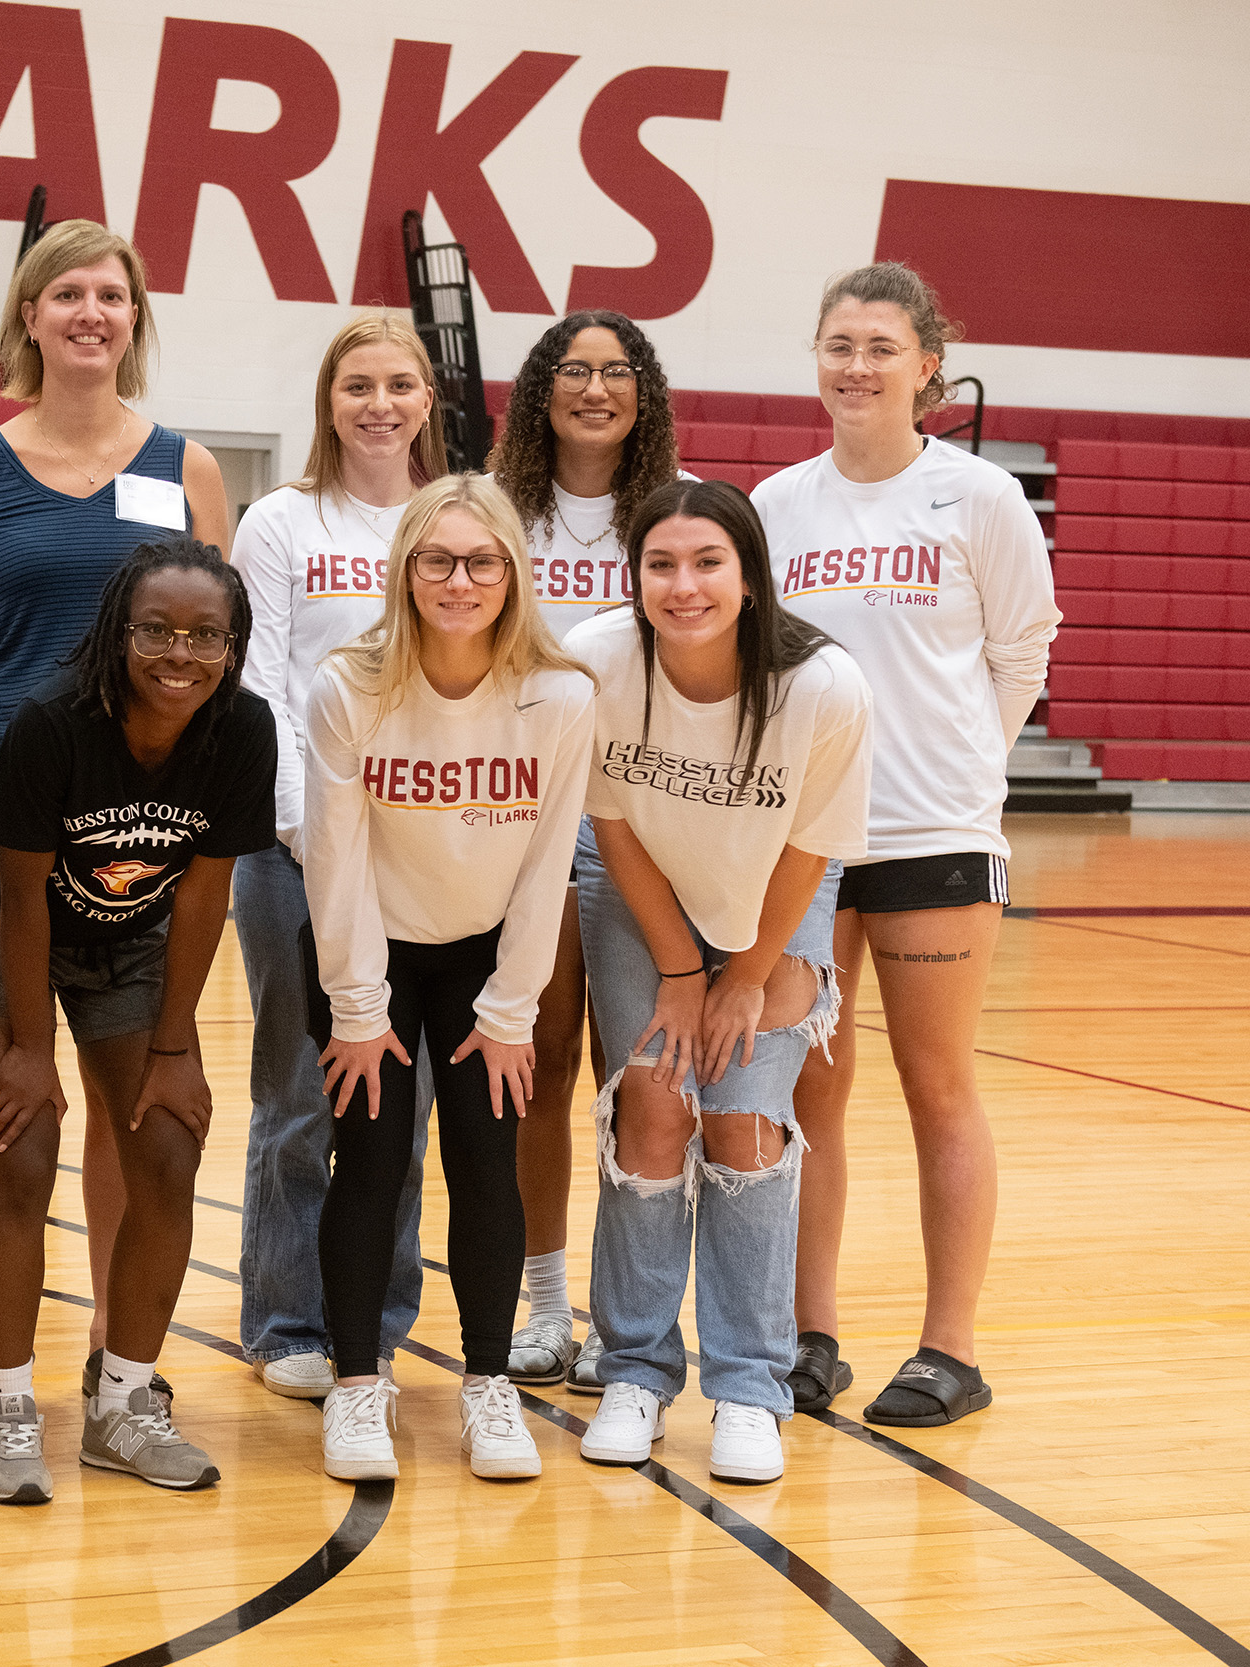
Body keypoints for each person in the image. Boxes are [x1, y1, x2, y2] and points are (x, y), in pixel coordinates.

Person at [0, 219, 232, 1413]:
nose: (90, 312)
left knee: (123, 1095)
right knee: (1, 1093)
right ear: (31, 318)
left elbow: (213, 638)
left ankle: (118, 1333)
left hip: (140, 827)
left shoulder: (186, 466)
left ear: (133, 319)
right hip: (2, 811)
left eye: (111, 294)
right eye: (67, 294)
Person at [756, 263, 1057, 1427]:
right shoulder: (779, 505)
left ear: (927, 363)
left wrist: (963, 767)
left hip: (933, 836)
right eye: (837, 343)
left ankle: (950, 1347)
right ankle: (807, 1333)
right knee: (808, 1099)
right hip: (811, 839)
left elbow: (1023, 650)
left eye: (880, 346)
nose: (855, 366)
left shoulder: (975, 497)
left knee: (937, 1089)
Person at [0, 540, 274, 1503]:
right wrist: (33, 1051)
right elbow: (21, 894)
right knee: (23, 1148)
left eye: (207, 634)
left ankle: (122, 1405)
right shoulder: (55, 718)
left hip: (131, 938)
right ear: (119, 632)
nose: (181, 652)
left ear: (234, 643)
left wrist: (173, 1048)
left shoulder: (243, 730)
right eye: (158, 630)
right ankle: (6, 1405)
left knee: (167, 1147)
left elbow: (205, 896)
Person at [565, 480, 872, 1483]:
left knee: (744, 1120)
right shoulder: (600, 659)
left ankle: (748, 1385)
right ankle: (635, 1370)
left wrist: (742, 975)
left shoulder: (822, 686)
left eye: (707, 563)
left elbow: (809, 847)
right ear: (636, 574)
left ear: (748, 575)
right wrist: (679, 969)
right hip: (641, 888)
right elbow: (608, 825)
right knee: (652, 1110)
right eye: (661, 563)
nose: (683, 585)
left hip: (776, 894)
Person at [303, 475, 594, 1483]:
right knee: (371, 1160)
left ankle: (486, 1382)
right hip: (370, 947)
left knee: (485, 1156)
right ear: (405, 572)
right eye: (437, 560)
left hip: (484, 960)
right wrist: (355, 1007)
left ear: (511, 573)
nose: (458, 579)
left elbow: (549, 861)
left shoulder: (559, 696)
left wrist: (512, 1010)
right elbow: (332, 861)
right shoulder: (350, 684)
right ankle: (352, 1383)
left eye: (480, 560)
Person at [230, 314, 444, 1400]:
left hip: (425, 858)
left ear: (424, 401)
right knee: (300, 1094)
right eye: (356, 384)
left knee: (396, 1106)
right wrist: (305, 832)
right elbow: (259, 673)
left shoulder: (452, 520)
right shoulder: (280, 519)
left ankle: (373, 1315)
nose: (378, 403)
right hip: (293, 853)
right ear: (327, 401)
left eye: (398, 384)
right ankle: (281, 1321)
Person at [485, 309, 691, 1393]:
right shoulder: (495, 512)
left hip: (642, 825)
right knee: (539, 1066)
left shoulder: (676, 514)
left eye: (618, 371)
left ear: (643, 391)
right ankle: (545, 1301)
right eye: (574, 369)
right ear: (540, 390)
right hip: (517, 823)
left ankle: (627, 1318)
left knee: (634, 1075)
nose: (595, 388)